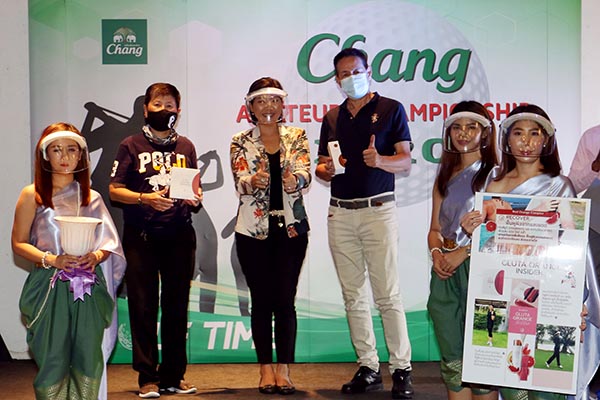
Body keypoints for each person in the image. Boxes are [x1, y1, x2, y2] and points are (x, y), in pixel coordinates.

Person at [461, 104, 599, 400]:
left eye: (534, 134)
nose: (526, 142)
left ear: (546, 140)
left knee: (545, 384)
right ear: (507, 139)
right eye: (518, 133)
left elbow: (574, 252)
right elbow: (488, 247)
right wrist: (472, 229)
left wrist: (576, 300)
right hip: (502, 294)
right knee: (510, 380)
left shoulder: (560, 186)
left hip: (547, 297)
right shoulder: (491, 184)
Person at [315, 47, 414, 399]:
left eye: (356, 71)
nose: (351, 78)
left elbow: (406, 161)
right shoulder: (332, 117)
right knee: (353, 296)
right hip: (340, 212)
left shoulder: (391, 109)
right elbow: (321, 166)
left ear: (368, 72)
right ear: (337, 80)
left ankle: (401, 368)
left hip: (378, 210)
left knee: (387, 294)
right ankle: (368, 366)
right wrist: (326, 169)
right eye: (344, 74)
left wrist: (380, 160)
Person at [11, 123, 126, 399]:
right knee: (52, 357)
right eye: (56, 150)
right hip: (48, 285)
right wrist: (52, 260)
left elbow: (108, 243)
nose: (64, 156)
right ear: (45, 155)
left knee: (88, 354)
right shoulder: (32, 195)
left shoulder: (92, 198)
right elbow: (18, 243)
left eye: (71, 149)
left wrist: (95, 256)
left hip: (87, 286)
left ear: (81, 155)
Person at [109, 83, 202, 398]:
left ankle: (174, 375)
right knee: (143, 306)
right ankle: (147, 377)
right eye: (158, 104)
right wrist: (144, 198)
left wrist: (194, 197)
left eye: (170, 104)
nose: (164, 110)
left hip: (180, 236)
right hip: (141, 237)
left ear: (179, 110)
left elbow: (194, 189)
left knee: (177, 307)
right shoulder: (130, 145)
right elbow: (114, 190)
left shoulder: (186, 146)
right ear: (146, 109)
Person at [230, 77, 311, 396]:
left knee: (286, 301)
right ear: (250, 106)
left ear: (282, 105)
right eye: (261, 101)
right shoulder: (240, 140)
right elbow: (240, 182)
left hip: (292, 230)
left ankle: (284, 370)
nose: (268, 106)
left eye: (274, 100)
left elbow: (305, 171)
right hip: (253, 233)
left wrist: (297, 180)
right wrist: (253, 180)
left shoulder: (297, 135)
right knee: (261, 301)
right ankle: (265, 369)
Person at [426, 101, 498, 400]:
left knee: (483, 353)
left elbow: (502, 231)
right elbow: (434, 230)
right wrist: (437, 255)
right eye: (457, 127)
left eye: (471, 127)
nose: (463, 133)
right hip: (445, 273)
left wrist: (464, 253)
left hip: (483, 274)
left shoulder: (497, 176)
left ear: (485, 132)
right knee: (452, 358)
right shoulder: (444, 175)